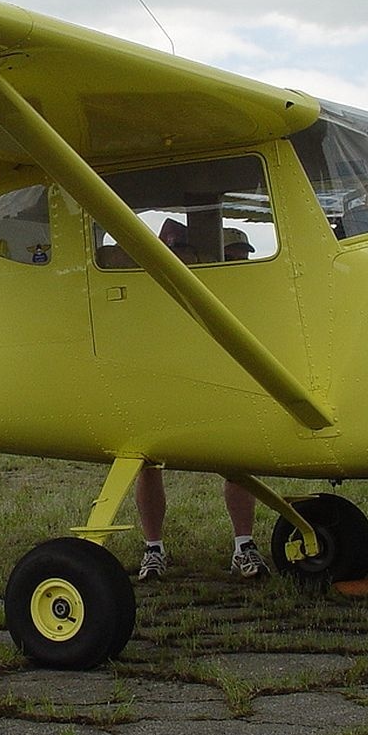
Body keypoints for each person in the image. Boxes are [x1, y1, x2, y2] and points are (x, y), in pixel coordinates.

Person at [135, 225, 268, 581]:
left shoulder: (242, 289)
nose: (241, 262)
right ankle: (154, 548)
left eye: (244, 257)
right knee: (147, 460)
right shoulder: (159, 288)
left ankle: (244, 545)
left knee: (237, 458)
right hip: (167, 378)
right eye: (234, 256)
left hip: (218, 377)